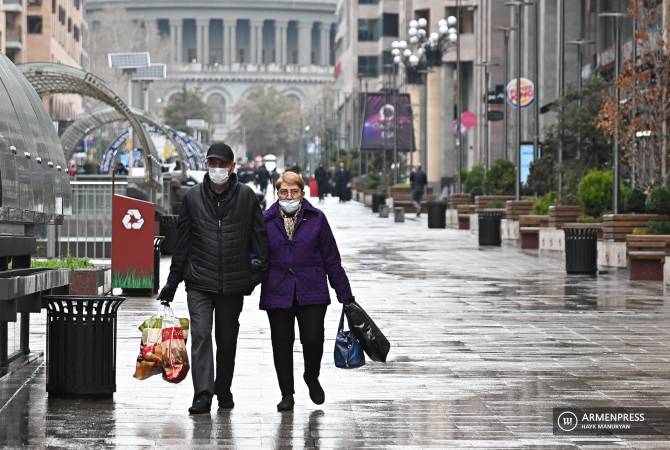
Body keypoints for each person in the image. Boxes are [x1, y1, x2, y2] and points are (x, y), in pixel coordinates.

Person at [157, 142, 269, 415]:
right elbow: (182, 244)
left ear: (232, 167)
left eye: (222, 164)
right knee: (201, 335)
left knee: (227, 340)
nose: (217, 169)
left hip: (233, 283)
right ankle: (203, 395)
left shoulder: (247, 197)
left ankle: (224, 388)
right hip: (199, 282)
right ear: (206, 165)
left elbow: (260, 240)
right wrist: (172, 283)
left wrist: (254, 274)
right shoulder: (193, 198)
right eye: (212, 164)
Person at [260, 171, 354, 412]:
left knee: (313, 338)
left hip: (311, 289)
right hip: (277, 289)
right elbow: (255, 255)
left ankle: (311, 376)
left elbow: (332, 259)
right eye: (283, 192)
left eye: (293, 192)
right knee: (281, 342)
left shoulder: (317, 219)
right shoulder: (266, 220)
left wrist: (345, 295)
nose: (288, 196)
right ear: (277, 193)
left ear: (302, 193)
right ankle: (286, 393)